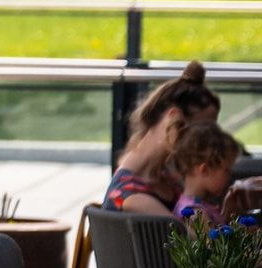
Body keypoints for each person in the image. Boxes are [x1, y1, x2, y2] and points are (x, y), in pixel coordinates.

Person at [102, 61, 222, 214]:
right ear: (173, 117)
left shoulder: (162, 175)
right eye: (202, 131)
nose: (206, 141)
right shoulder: (134, 196)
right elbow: (191, 236)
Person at [173, 119, 247, 224]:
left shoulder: (200, 205)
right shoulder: (194, 215)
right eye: (226, 170)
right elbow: (213, 241)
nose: (230, 176)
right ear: (205, 170)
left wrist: (228, 212)